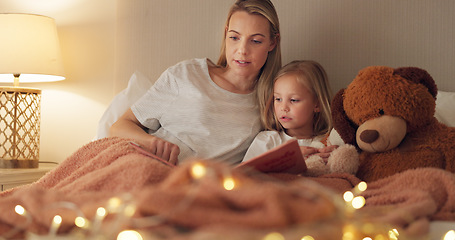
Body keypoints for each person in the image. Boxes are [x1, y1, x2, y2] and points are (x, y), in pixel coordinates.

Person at [109, 0, 281, 165]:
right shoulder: (187, 75)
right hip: (149, 165)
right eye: (235, 38)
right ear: (226, 34)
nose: (242, 50)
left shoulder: (275, 101)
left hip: (204, 187)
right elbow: (119, 127)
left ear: (272, 43)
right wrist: (151, 142)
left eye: (256, 41)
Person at [242, 60, 338, 163]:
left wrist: (335, 157)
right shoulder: (268, 141)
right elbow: (243, 175)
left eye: (293, 100)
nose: (283, 108)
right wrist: (286, 159)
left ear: (317, 104)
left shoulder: (329, 141)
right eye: (278, 99)